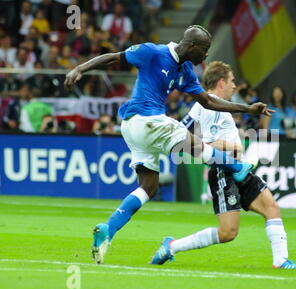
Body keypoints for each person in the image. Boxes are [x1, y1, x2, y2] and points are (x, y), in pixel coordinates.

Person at [64, 25, 273, 264]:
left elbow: (206, 101)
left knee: (148, 188)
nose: (206, 56)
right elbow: (114, 57)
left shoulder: (185, 69)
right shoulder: (152, 52)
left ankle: (108, 229)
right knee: (186, 138)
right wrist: (79, 68)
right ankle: (238, 168)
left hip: (136, 129)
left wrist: (247, 108)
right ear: (192, 46)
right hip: (144, 119)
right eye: (204, 50)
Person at [150, 61, 296, 270]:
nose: (235, 86)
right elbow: (193, 141)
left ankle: (281, 261)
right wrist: (229, 145)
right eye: (232, 81)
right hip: (224, 172)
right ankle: (172, 246)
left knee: (272, 208)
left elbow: (190, 132)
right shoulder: (207, 106)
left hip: (239, 168)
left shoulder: (215, 105)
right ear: (221, 82)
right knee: (228, 233)